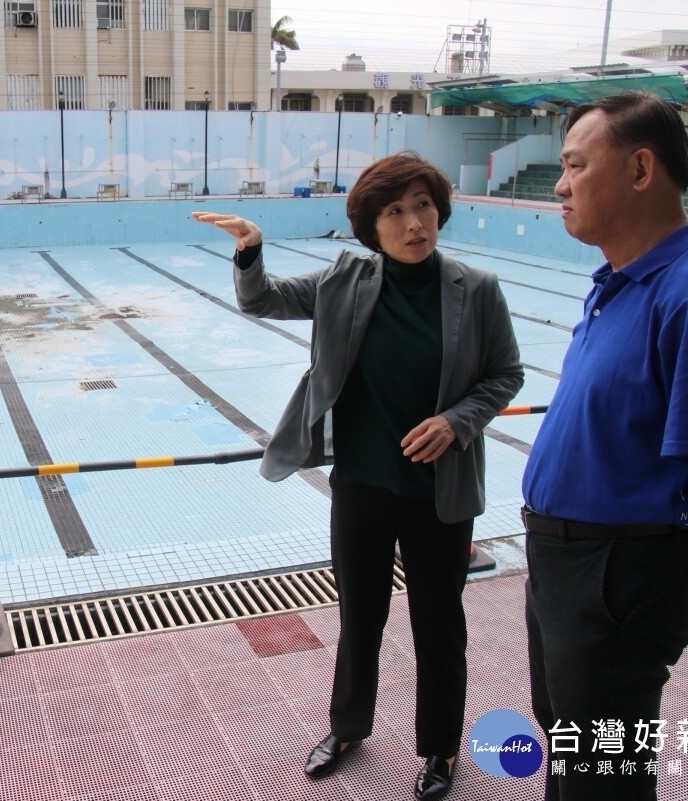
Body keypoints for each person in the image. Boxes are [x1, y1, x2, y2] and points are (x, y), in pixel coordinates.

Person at [193, 151, 523, 800]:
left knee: (437, 625)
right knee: (360, 616)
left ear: (440, 210)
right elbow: (262, 300)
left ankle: (441, 748)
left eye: (423, 205)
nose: (413, 222)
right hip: (362, 485)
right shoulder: (346, 280)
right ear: (372, 226)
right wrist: (250, 250)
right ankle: (347, 728)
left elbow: (504, 374)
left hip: (439, 494)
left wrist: (458, 420)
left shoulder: (475, 289)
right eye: (394, 211)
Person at [521, 91, 688, 801]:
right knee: (573, 747)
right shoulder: (619, 284)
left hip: (616, 575)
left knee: (604, 776)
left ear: (640, 169)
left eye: (573, 166)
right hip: (569, 563)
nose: (559, 186)